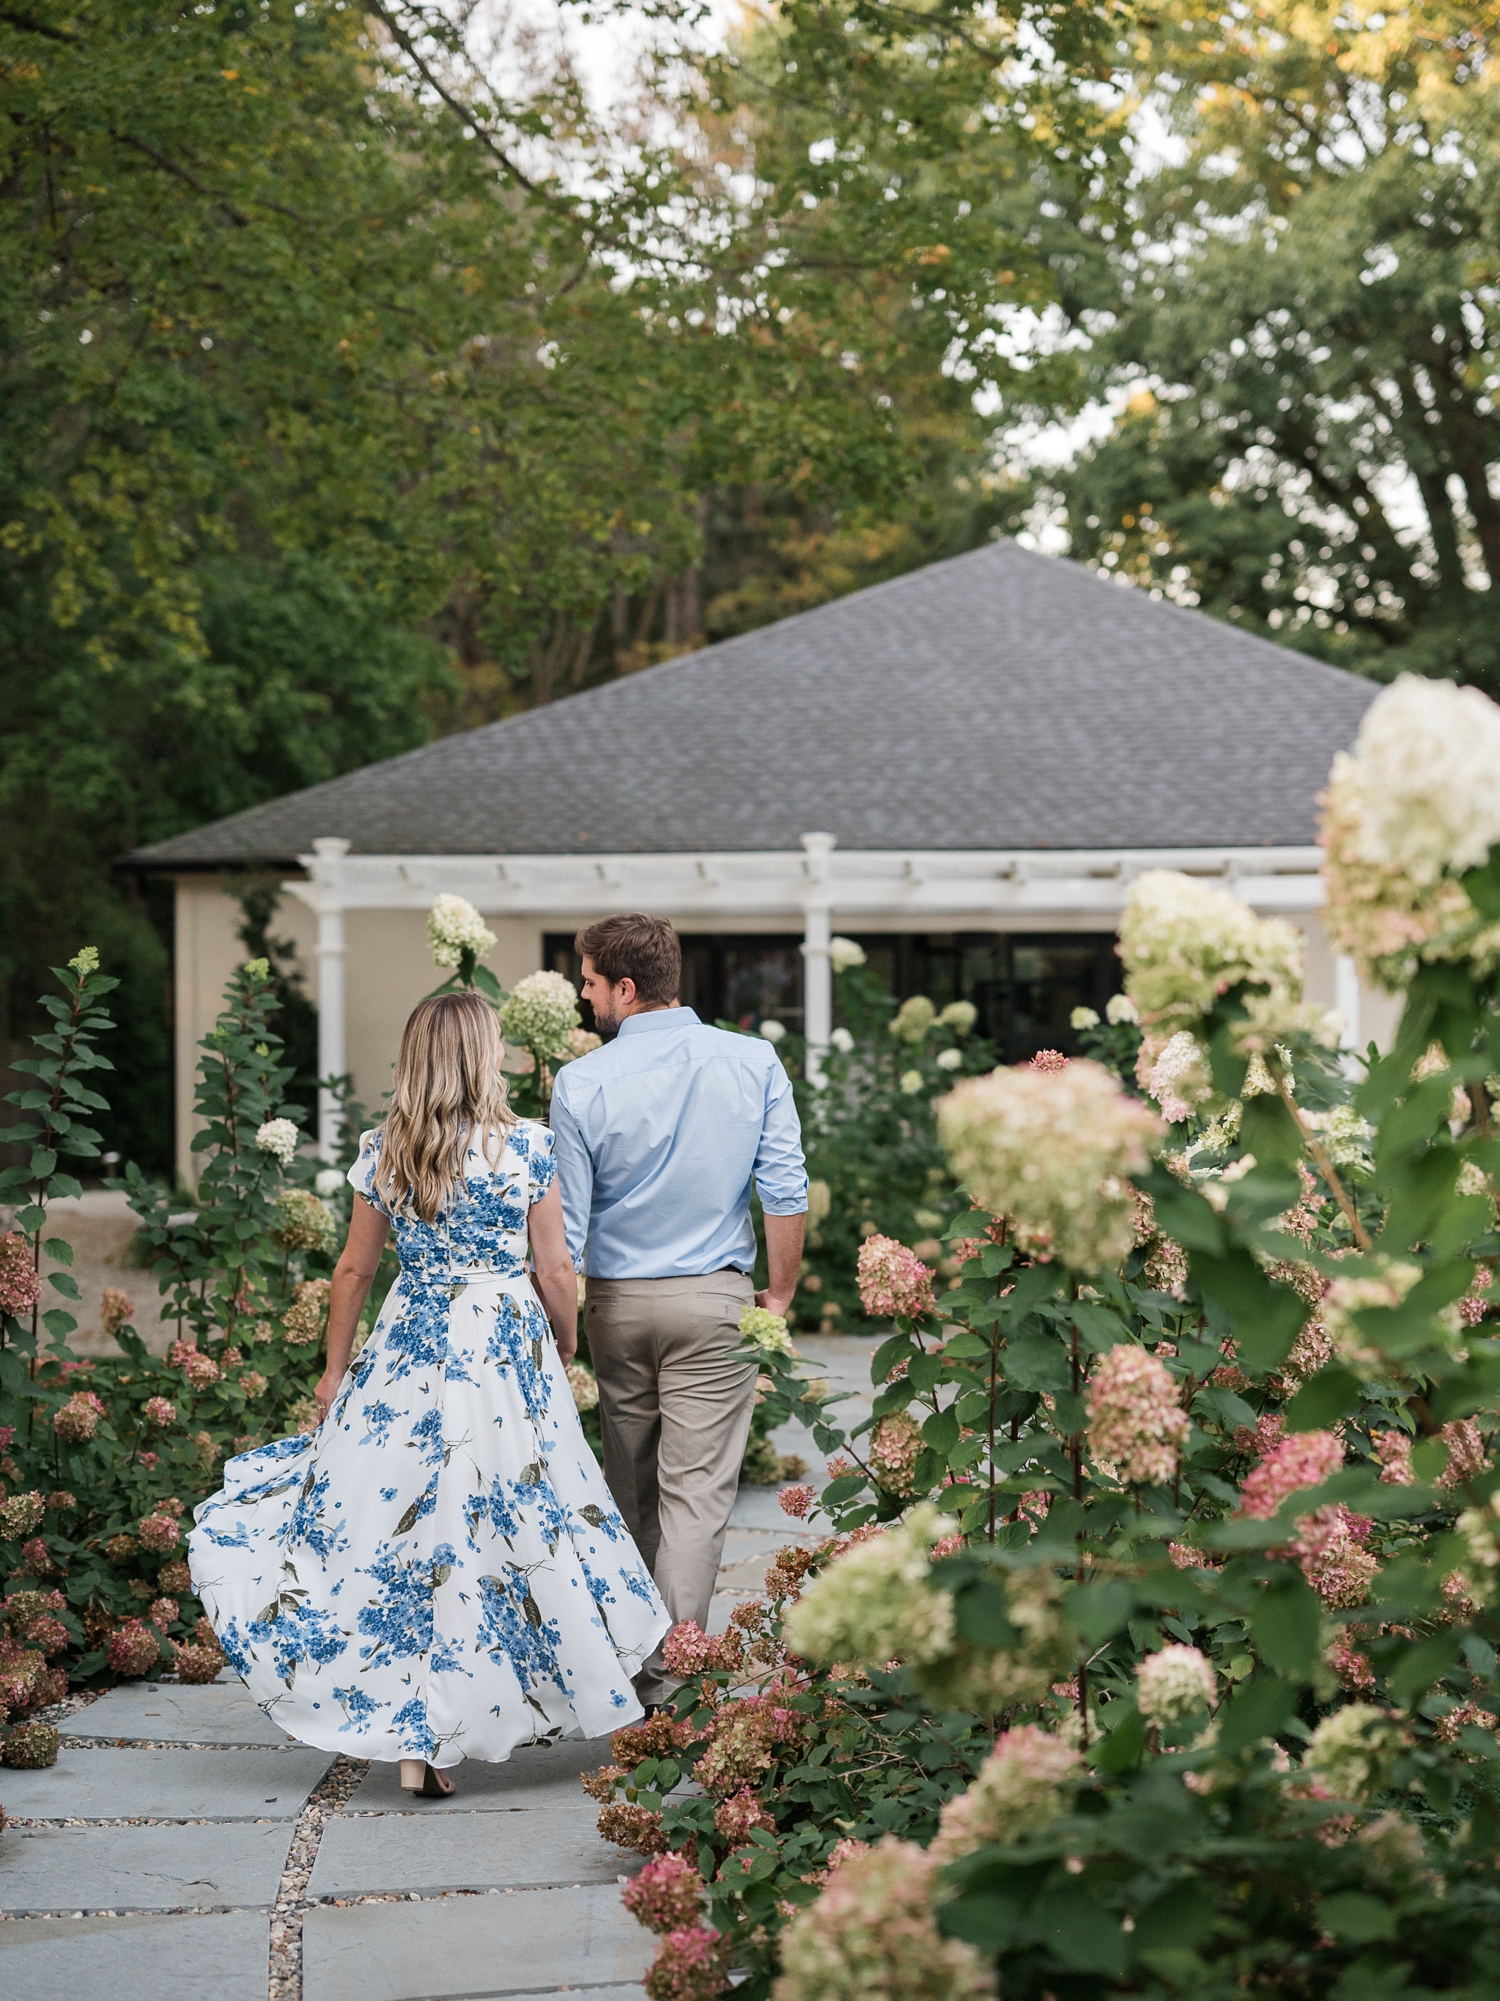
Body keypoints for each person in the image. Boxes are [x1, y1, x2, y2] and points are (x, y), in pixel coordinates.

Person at [188, 992, 669, 1797]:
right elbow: (554, 1266)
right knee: (527, 1513)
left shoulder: (386, 1151)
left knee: (402, 1528)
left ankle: (424, 1743)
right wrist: (565, 1332)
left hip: (412, 1341)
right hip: (503, 1347)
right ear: (485, 1055)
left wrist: (336, 1367)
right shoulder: (524, 1147)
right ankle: (598, 1706)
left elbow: (353, 1270)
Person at [550, 913, 808, 1708]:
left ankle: (638, 1665)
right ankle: (674, 1683)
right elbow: (785, 1188)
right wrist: (780, 1295)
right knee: (695, 1494)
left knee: (635, 1490)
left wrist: (559, 1328)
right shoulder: (753, 1060)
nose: (585, 998)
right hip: (716, 1300)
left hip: (619, 1309)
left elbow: (566, 1232)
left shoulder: (581, 1082)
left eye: (590, 982)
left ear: (625, 989)